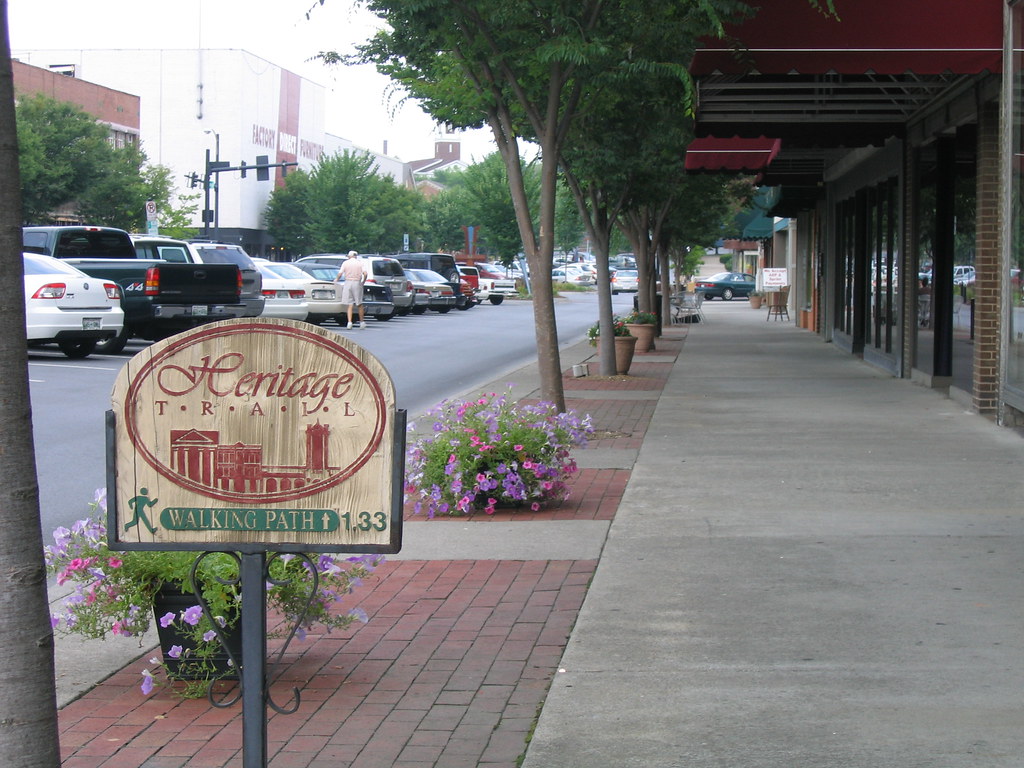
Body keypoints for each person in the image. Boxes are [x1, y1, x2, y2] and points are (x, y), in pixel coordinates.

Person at [335, 250, 367, 329]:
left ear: (349, 256)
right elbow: (365, 273)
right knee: (359, 303)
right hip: (357, 282)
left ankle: (349, 322)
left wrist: (336, 279)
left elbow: (340, 273)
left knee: (350, 304)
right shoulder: (360, 263)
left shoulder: (345, 263)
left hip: (348, 282)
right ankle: (362, 322)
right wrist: (363, 281)